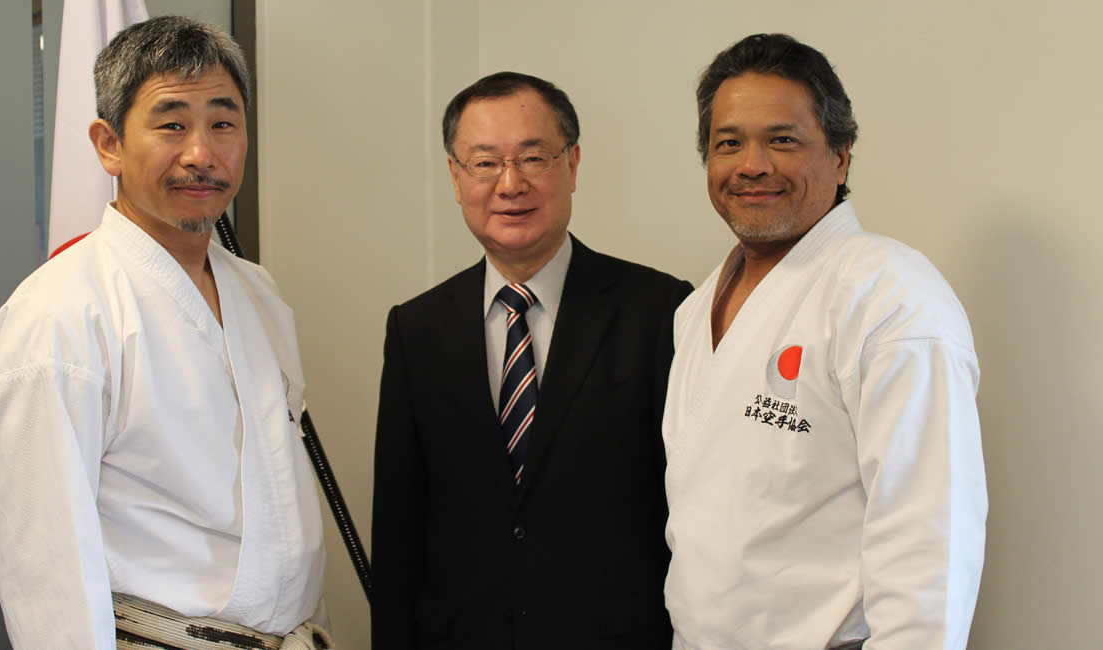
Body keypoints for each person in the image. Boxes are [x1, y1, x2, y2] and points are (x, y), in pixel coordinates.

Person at [0, 17, 330, 649]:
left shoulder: (258, 293)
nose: (202, 153)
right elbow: (45, 567)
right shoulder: (60, 314)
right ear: (108, 144)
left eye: (223, 123)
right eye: (171, 124)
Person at [662, 33, 987, 649]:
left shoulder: (890, 297)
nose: (751, 164)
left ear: (841, 156)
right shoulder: (696, 308)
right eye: (728, 143)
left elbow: (931, 542)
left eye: (782, 140)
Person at [370, 71, 693, 649]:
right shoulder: (416, 328)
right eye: (485, 162)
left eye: (534, 158)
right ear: (455, 175)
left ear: (572, 165)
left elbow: (692, 513)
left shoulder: (660, 311)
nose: (510, 183)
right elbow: (399, 531)